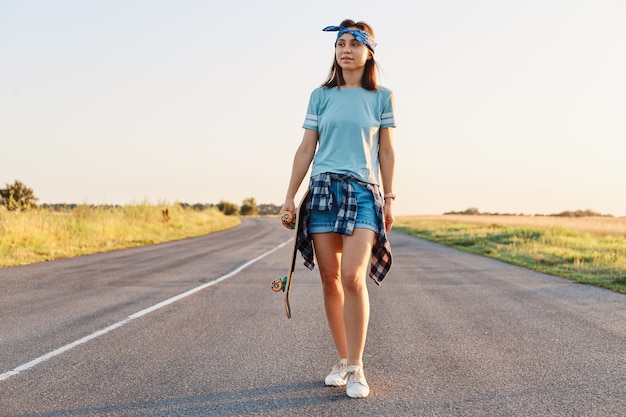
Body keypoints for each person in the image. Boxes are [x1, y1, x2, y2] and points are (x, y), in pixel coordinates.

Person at [280, 19, 396, 399]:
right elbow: (305, 149)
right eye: (340, 44)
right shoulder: (320, 96)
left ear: (369, 52)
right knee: (329, 279)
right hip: (323, 190)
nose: (345, 49)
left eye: (353, 44)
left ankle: (358, 368)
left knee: (352, 277)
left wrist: (390, 197)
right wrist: (289, 197)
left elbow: (386, 150)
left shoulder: (382, 97)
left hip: (363, 193)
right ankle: (343, 360)